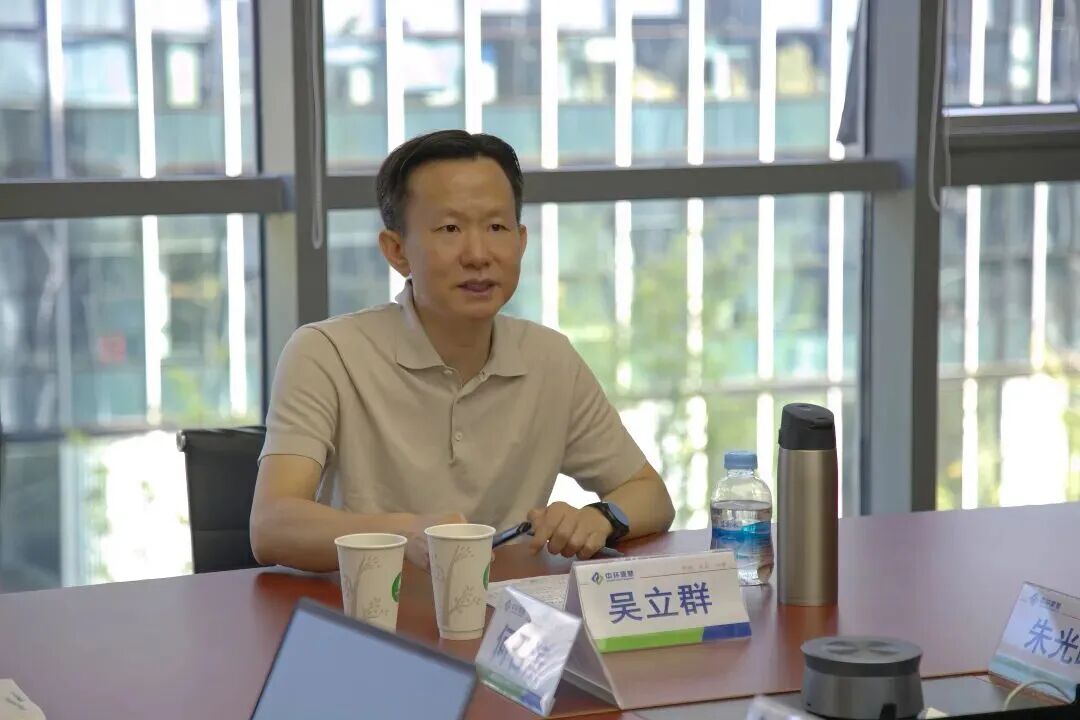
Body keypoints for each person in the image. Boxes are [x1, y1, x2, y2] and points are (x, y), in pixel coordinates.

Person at [250, 130, 675, 572]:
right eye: (450, 229)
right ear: (397, 251)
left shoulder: (550, 358)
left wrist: (600, 517)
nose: (478, 254)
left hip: (501, 610)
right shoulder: (326, 353)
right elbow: (272, 524)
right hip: (361, 609)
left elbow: (650, 493)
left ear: (521, 241)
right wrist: (406, 535)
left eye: (496, 227)